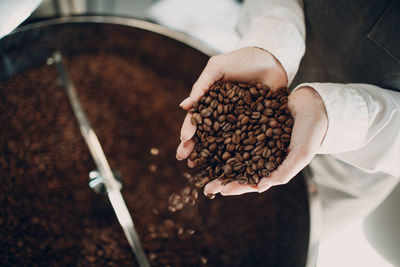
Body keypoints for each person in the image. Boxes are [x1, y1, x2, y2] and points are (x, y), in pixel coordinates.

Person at [176, 0, 400, 238]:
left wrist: (336, 115)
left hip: (365, 158)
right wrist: (272, 42)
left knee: (286, 233)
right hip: (273, 67)